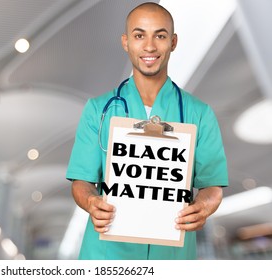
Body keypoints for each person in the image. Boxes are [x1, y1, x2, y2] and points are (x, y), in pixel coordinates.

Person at [66, 2, 228, 259]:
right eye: (139, 35)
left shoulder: (199, 114)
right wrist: (91, 202)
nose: (150, 46)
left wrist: (204, 207)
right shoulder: (99, 110)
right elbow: (82, 180)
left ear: (173, 42)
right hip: (107, 255)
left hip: (171, 255)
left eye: (160, 36)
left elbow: (212, 186)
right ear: (125, 42)